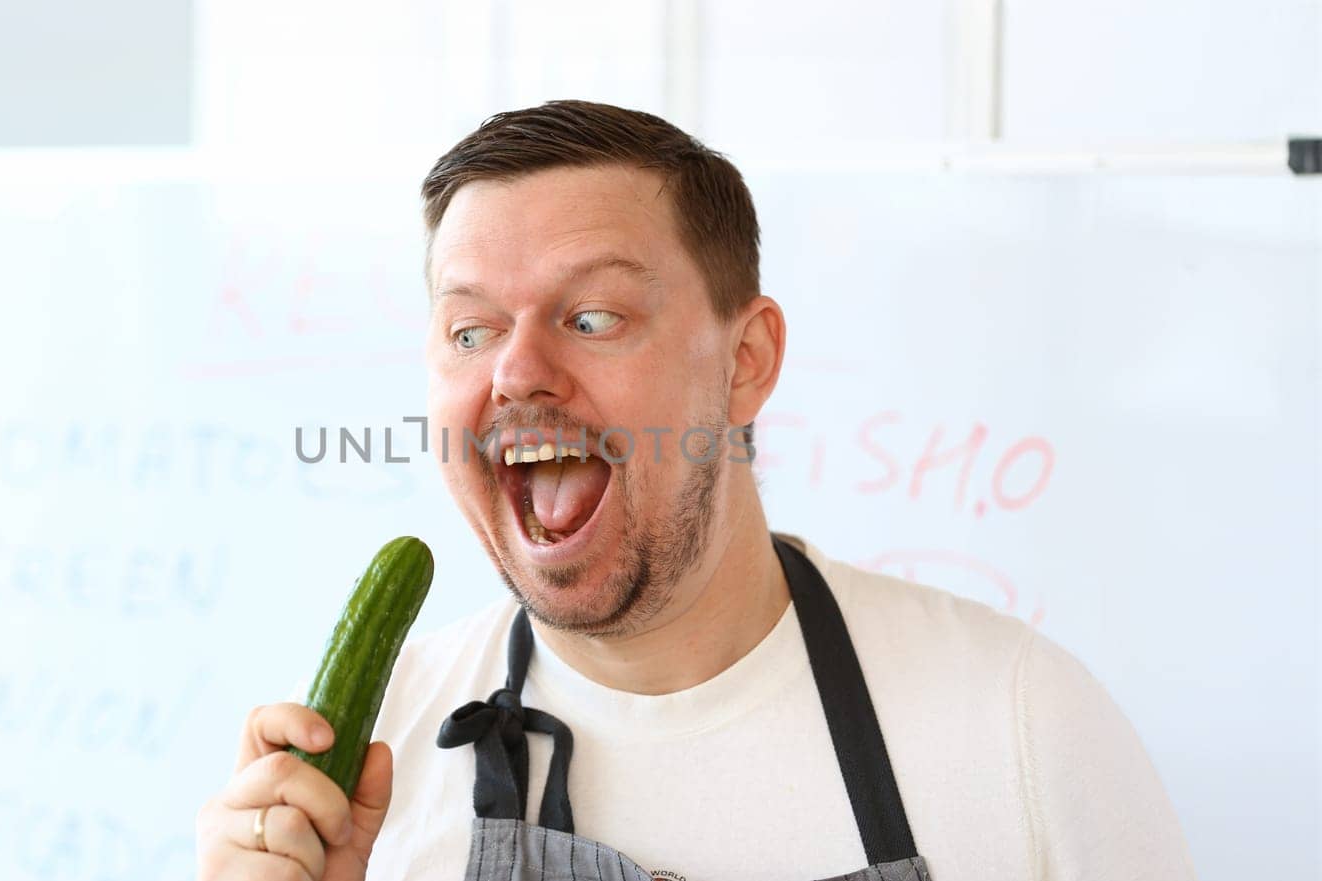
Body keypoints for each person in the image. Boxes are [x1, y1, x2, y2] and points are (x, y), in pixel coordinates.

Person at [195, 100, 1197, 881]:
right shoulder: (375, 747)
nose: (514, 372)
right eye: (471, 329)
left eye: (592, 316)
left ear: (747, 358)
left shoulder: (1020, 723)